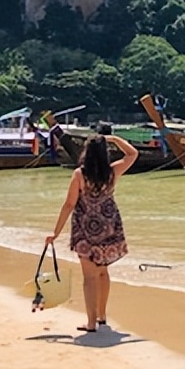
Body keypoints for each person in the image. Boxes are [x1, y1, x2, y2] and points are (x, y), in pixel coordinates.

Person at [45, 130, 139, 334]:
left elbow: (69, 204)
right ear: (105, 153)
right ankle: (102, 316)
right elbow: (132, 154)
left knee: (89, 277)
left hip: (86, 230)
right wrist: (114, 139)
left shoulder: (80, 174)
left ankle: (91, 322)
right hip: (109, 227)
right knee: (103, 272)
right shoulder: (112, 172)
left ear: (86, 152)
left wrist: (55, 232)